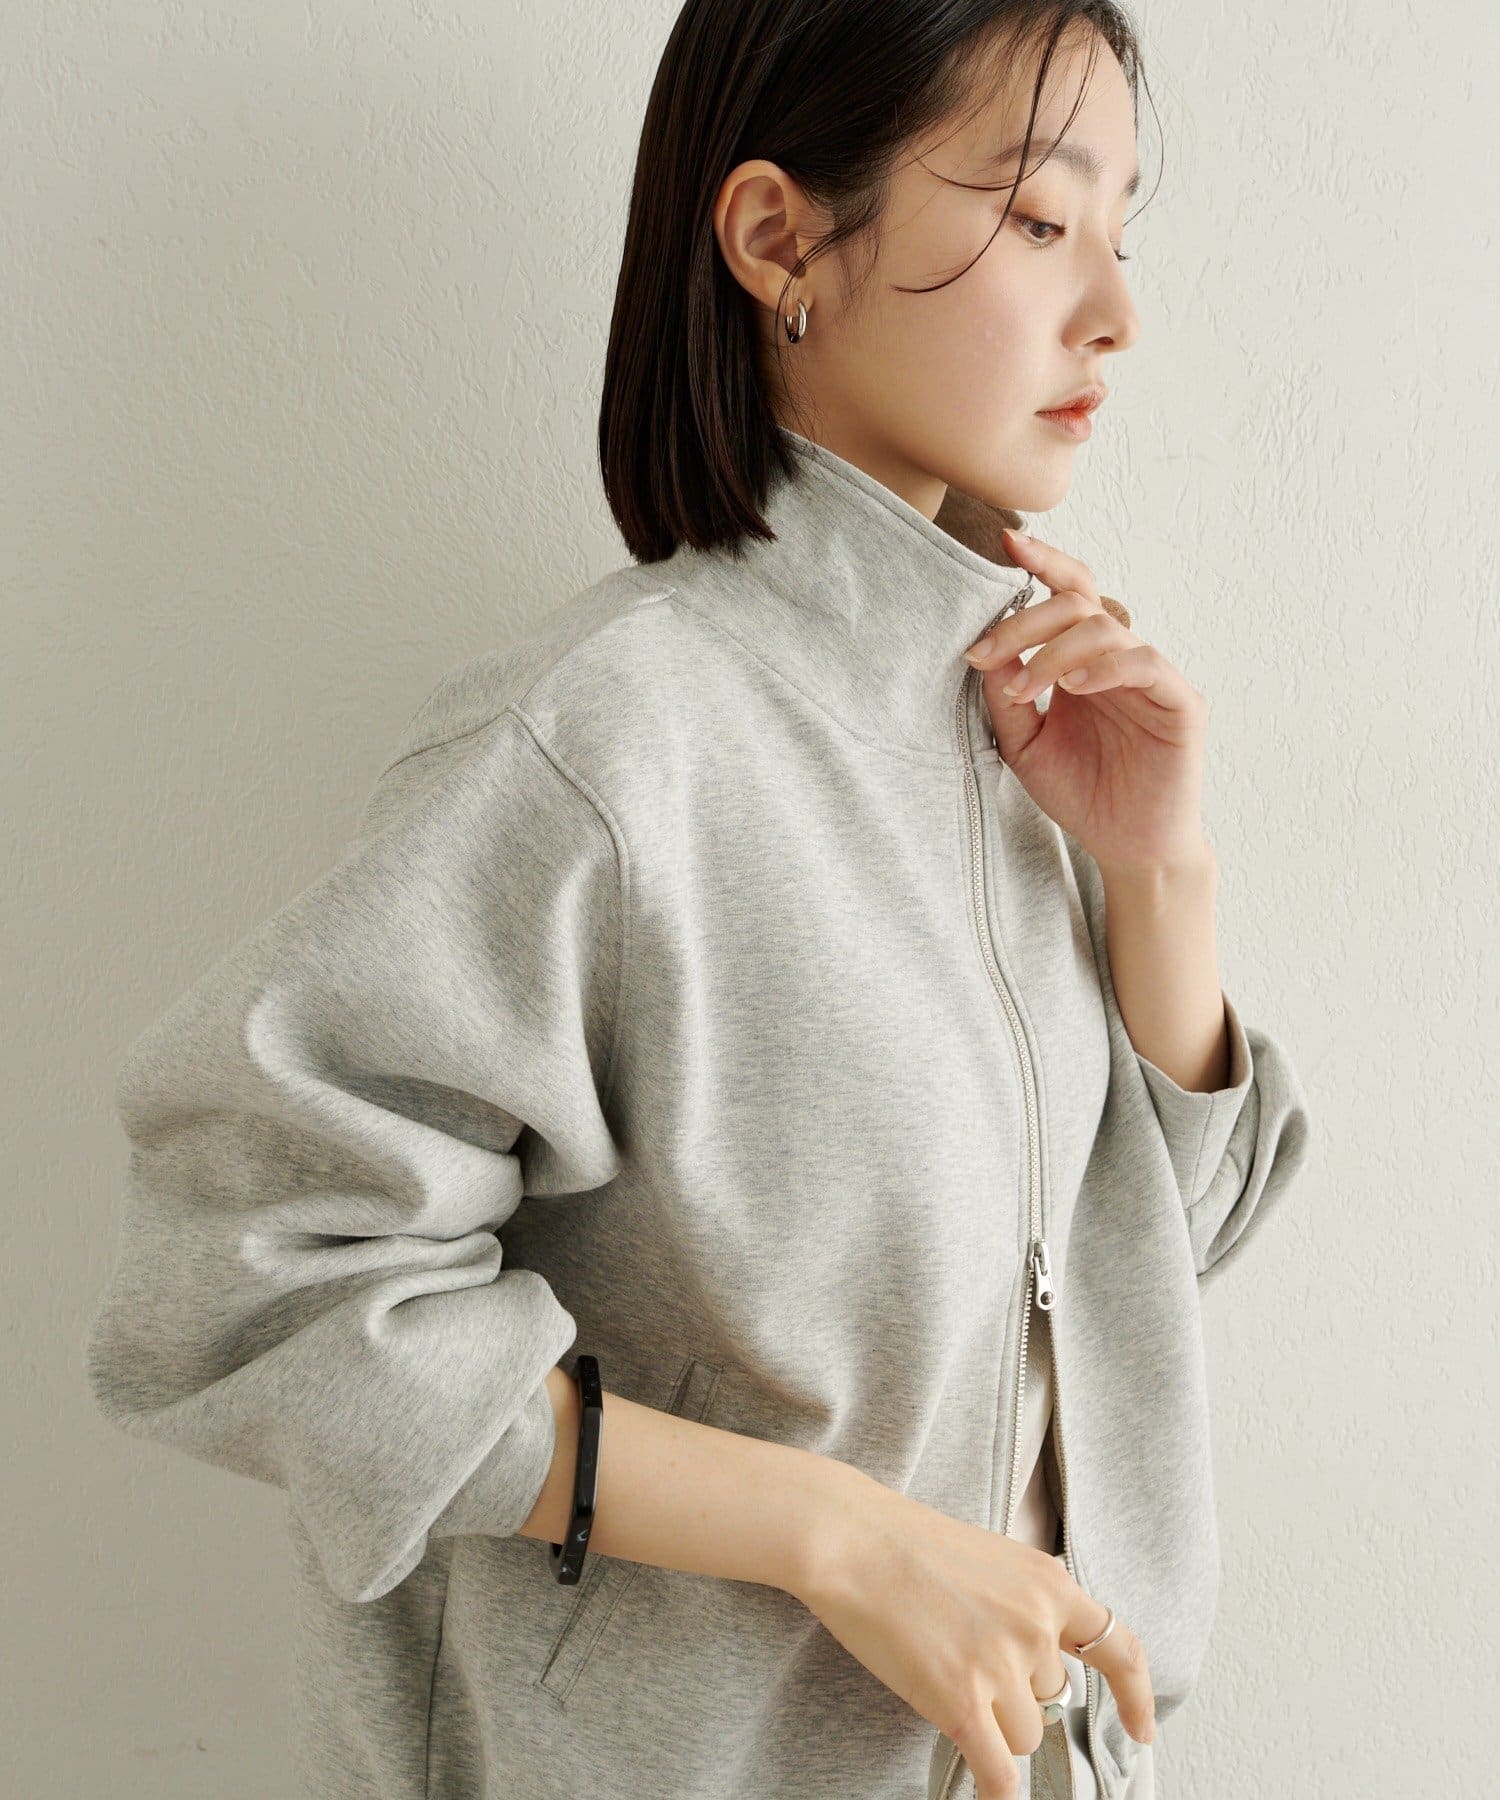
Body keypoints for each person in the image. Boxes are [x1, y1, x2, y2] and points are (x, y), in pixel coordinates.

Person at [83, 4, 1313, 1798]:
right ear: (776, 236)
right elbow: (240, 1283)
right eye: (1041, 218)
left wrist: (1159, 872)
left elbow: (1124, 1279)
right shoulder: (612, 740)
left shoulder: (1023, 734)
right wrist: (836, 1534)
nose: (1115, 307)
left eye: (1122, 233)